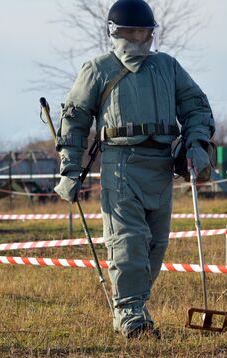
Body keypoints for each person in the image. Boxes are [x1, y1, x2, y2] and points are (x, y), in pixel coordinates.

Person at [54, 0, 215, 338]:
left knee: (154, 246)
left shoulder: (168, 67)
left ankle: (135, 308)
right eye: (131, 31)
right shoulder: (98, 69)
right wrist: (69, 168)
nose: (138, 37)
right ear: (116, 32)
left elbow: (197, 107)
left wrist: (196, 143)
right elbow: (75, 119)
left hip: (161, 166)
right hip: (120, 166)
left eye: (144, 31)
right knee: (127, 244)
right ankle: (131, 320)